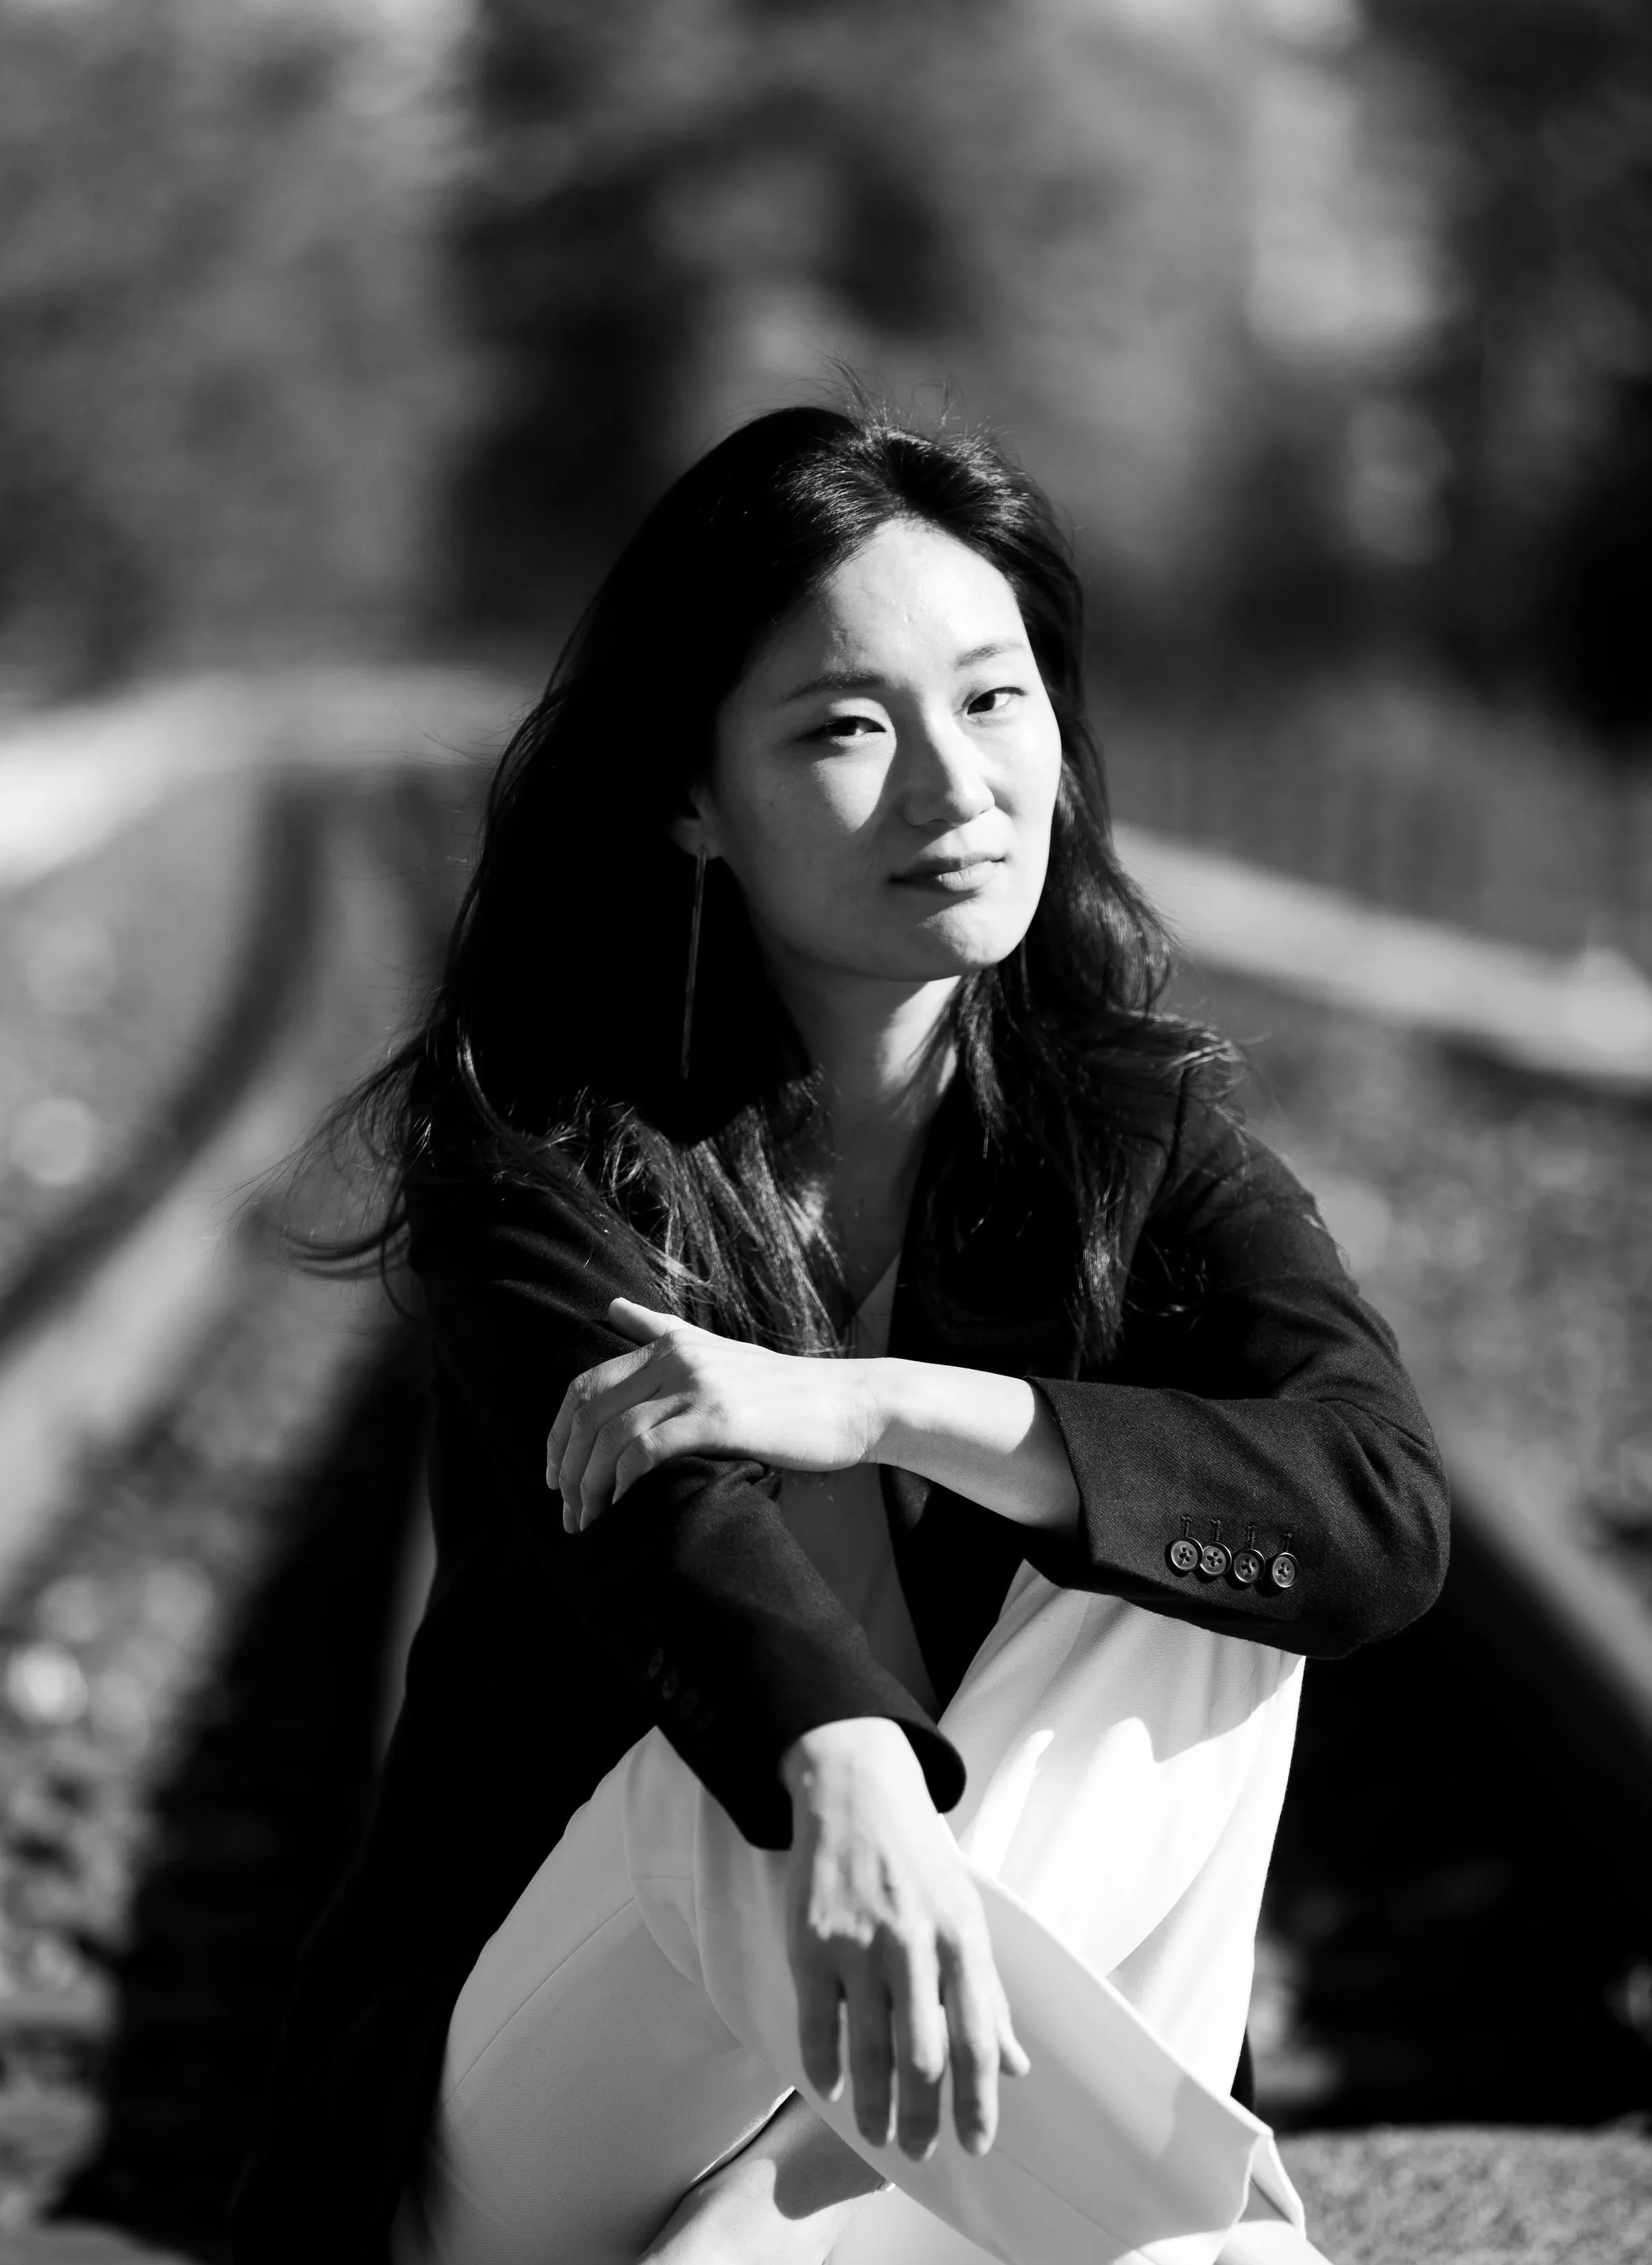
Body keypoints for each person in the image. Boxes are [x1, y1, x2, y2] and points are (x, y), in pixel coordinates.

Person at [231, 402, 1449, 2265]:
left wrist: (877, 1404)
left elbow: (1376, 1512)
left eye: (993, 699)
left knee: (1199, 1572)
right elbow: (670, 1541)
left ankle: (784, 2229)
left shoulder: (1136, 1139)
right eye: (844, 728)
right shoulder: (543, 1166)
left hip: (929, 2103)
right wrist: (845, 1765)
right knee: (714, 1799)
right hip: (549, 2116)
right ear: (691, 798)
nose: (957, 790)